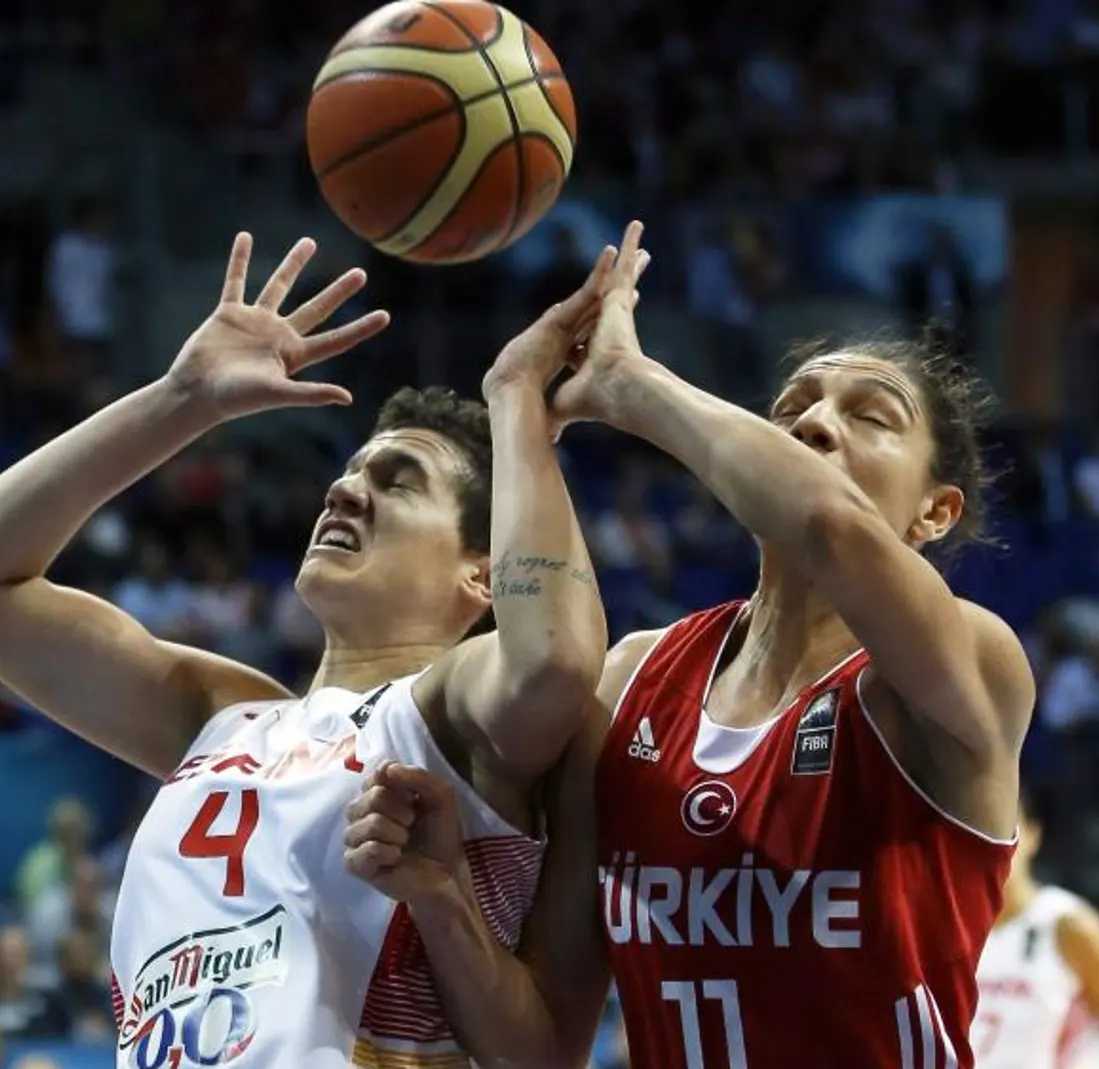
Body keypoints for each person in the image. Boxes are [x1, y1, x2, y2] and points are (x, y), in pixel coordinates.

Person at [0, 231, 633, 1066]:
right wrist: (182, 400)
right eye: (352, 470)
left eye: (398, 481)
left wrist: (517, 403)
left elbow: (557, 660)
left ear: (481, 574)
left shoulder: (452, 709)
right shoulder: (222, 712)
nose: (346, 486)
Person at [343, 220, 1037, 1068]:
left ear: (935, 511)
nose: (814, 425)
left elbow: (829, 527)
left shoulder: (968, 665)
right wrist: (441, 895)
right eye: (793, 410)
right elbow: (542, 1048)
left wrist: (632, 382)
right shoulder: (630, 680)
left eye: (871, 418)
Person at [973, 797, 1099, 1069]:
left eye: (1004, 826)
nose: (995, 843)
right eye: (981, 829)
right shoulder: (950, 934)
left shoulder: (1069, 925)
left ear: (1034, 835)